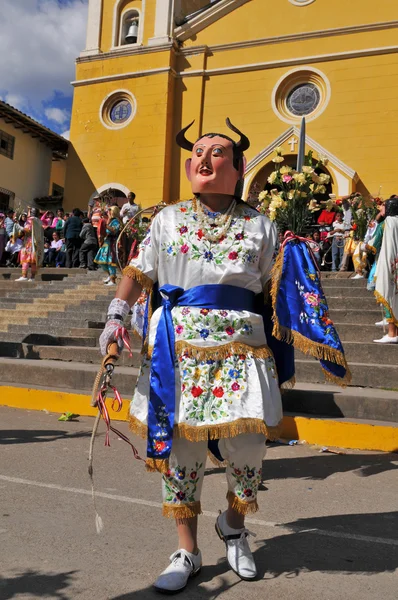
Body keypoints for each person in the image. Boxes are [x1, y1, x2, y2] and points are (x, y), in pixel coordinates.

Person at [99, 119, 282, 593]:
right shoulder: (166, 220)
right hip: (177, 351)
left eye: (217, 152)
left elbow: (272, 289)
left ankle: (234, 526)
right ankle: (188, 550)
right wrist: (117, 316)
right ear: (187, 165)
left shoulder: (261, 225)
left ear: (238, 168)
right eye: (198, 151)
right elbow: (140, 270)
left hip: (243, 347)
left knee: (249, 450)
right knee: (183, 452)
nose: (205, 158)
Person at [373, 197, 398, 343]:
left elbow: (374, 242)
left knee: (389, 294)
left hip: (389, 264)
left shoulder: (387, 223)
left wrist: (363, 248)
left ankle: (391, 334)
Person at [94, 206, 121, 285]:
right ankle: (110, 275)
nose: (108, 213)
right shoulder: (109, 221)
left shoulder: (116, 221)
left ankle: (113, 279)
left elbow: (114, 230)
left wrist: (105, 225)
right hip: (106, 242)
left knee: (110, 260)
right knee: (102, 261)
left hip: (111, 242)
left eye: (109, 211)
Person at [16, 207, 44, 281]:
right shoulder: (40, 221)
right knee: (34, 261)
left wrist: (18, 225)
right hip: (37, 243)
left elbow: (27, 230)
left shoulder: (30, 220)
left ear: (31, 212)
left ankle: (24, 276)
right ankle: (32, 277)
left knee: (25, 259)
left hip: (29, 242)